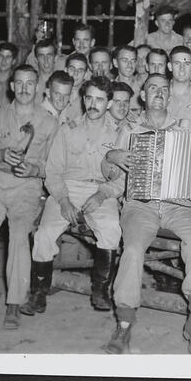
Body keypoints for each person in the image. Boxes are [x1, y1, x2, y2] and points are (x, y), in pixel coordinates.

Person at [103, 74, 191, 355]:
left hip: (179, 204)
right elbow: (110, 174)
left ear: (169, 96)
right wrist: (111, 157)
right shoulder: (130, 128)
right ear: (143, 94)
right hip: (141, 204)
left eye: (164, 89)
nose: (159, 94)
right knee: (134, 248)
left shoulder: (185, 128)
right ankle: (125, 322)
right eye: (153, 89)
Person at [21, 76, 123, 315]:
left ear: (109, 103)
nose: (93, 104)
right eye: (89, 98)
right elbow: (53, 171)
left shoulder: (120, 133)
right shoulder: (67, 129)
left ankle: (100, 290)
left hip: (101, 191)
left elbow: (122, 179)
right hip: (66, 188)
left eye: (100, 99)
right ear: (83, 98)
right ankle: (38, 294)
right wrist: (64, 201)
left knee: (110, 228)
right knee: (44, 234)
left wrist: (101, 195)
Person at [0, 65, 58, 330]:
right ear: (11, 86)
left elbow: (55, 165)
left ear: (38, 87)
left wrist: (35, 168)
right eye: (18, 83)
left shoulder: (49, 122)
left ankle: (14, 304)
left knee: (19, 236)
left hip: (27, 187)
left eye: (29, 83)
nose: (23, 88)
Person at [112, 45, 142, 116]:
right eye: (125, 61)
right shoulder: (109, 89)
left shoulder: (143, 88)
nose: (130, 65)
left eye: (133, 61)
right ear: (115, 63)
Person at [65, 53, 89, 123]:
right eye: (72, 69)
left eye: (80, 70)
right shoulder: (56, 95)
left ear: (86, 75)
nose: (75, 73)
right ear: (65, 70)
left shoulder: (88, 99)